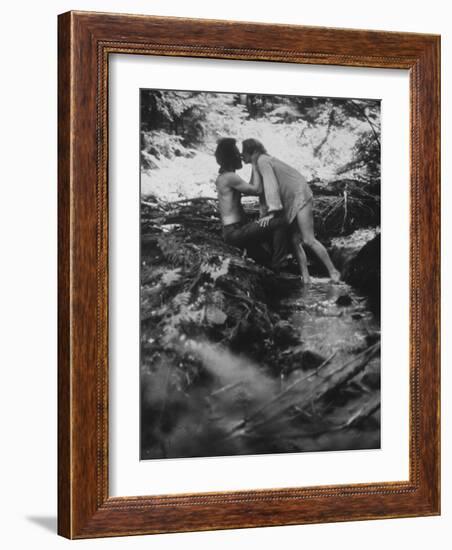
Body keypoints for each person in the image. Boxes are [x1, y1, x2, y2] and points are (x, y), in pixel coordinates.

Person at [241, 138, 341, 284]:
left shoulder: (262, 160)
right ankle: (306, 278)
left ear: (252, 151)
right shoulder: (259, 163)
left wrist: (272, 212)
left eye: (243, 152)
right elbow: (257, 188)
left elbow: (270, 185)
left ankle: (333, 271)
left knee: (308, 239)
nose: (241, 156)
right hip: (290, 199)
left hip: (299, 195)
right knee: (294, 241)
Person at [214, 138, 289, 272]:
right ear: (231, 157)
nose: (241, 156)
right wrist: (254, 163)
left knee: (265, 258)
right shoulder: (230, 177)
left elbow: (251, 186)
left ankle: (272, 266)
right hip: (235, 232)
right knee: (280, 222)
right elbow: (257, 190)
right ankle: (280, 264)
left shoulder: (226, 177)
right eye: (238, 153)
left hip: (236, 230)